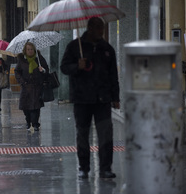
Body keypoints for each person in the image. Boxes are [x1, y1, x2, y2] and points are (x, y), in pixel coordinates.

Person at [60, 17, 120, 179]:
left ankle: (105, 168)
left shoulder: (107, 49)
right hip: (81, 99)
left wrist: (116, 97)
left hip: (102, 99)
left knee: (106, 134)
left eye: (102, 28)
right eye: (98, 28)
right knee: (82, 134)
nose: (101, 32)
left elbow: (113, 75)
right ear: (90, 29)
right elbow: (64, 67)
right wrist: (76, 66)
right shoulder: (74, 47)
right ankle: (84, 167)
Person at [14, 42, 49, 131]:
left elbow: (47, 70)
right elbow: (17, 71)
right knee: (26, 107)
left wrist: (43, 70)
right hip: (26, 87)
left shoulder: (39, 59)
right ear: (25, 50)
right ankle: (28, 121)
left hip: (37, 87)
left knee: (36, 107)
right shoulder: (22, 60)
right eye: (28, 49)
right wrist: (22, 82)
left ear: (34, 50)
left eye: (31, 49)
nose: (30, 51)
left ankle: (35, 124)